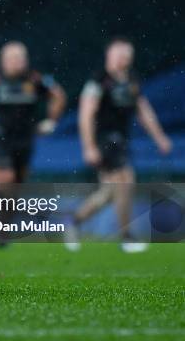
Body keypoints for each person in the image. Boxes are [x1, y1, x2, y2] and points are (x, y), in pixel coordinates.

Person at [65, 37, 172, 253]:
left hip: (122, 140)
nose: (123, 59)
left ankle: (74, 222)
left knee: (108, 194)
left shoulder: (131, 80)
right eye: (119, 55)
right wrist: (89, 146)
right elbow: (86, 115)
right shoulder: (98, 81)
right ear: (109, 56)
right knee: (126, 181)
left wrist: (159, 137)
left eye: (127, 55)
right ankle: (127, 237)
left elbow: (143, 110)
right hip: (104, 140)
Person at [0, 41, 67, 246]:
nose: (16, 62)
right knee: (6, 180)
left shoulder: (36, 80)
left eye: (20, 58)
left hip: (26, 138)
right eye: (11, 58)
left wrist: (51, 121)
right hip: (1, 137)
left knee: (17, 185)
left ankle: (4, 225)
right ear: (3, 61)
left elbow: (59, 95)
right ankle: (1, 227)